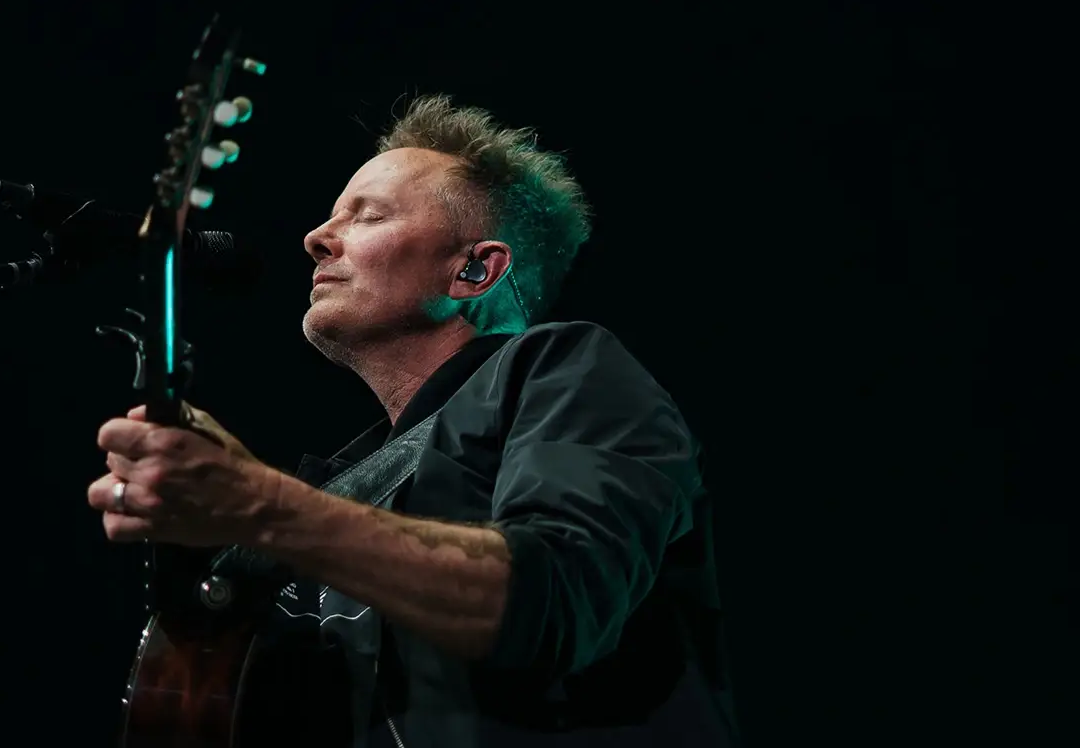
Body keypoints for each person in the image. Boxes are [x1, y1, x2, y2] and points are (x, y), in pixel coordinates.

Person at [86, 95, 739, 746]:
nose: (316, 237)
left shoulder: (568, 371)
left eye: (369, 215)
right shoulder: (344, 481)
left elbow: (551, 604)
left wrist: (258, 503)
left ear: (474, 270)